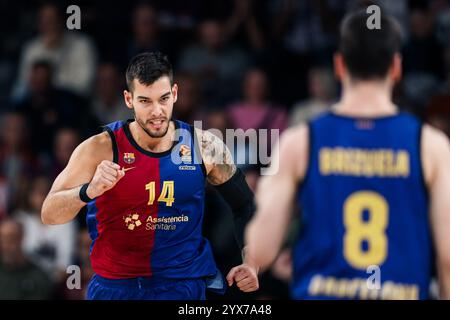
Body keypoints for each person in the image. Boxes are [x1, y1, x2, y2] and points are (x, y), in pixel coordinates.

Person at [245, 10, 450, 300]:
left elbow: (260, 251)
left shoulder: (300, 140)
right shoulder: (430, 145)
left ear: (339, 66)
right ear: (396, 67)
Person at [41, 52, 258, 300]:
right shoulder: (99, 148)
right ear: (128, 99)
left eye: (164, 99)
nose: (157, 111)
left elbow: (245, 205)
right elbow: (49, 213)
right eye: (145, 101)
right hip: (115, 287)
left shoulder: (205, 147)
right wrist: (88, 191)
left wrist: (251, 262)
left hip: (182, 286)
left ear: (175, 93)